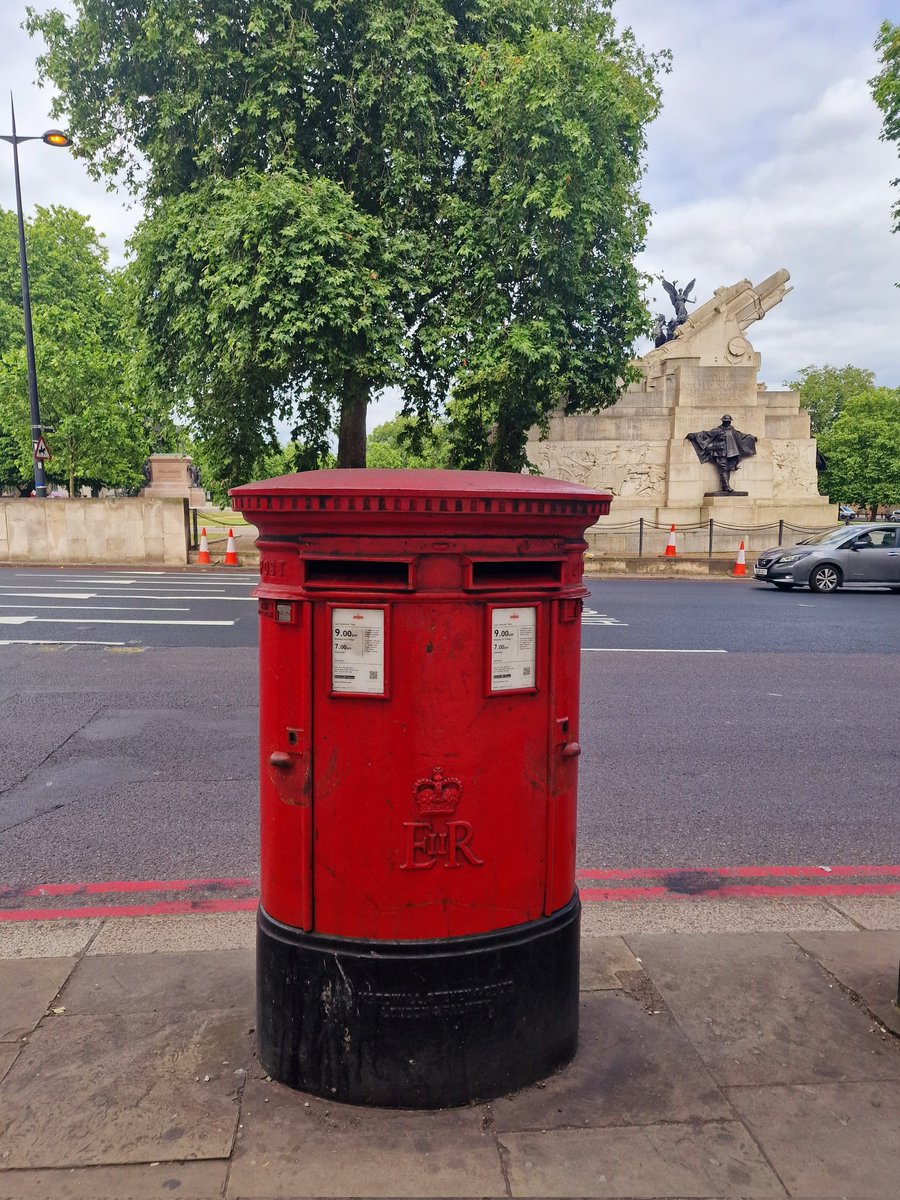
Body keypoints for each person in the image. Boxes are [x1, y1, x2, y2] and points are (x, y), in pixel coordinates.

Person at [685, 414, 757, 493]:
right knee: (724, 469)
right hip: (720, 452)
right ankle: (726, 486)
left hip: (731, 453)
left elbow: (741, 436)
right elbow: (705, 434)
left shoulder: (732, 430)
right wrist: (694, 435)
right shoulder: (717, 430)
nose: (727, 423)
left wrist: (751, 438)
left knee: (727, 469)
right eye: (726, 422)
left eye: (728, 421)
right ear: (723, 421)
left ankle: (725, 486)